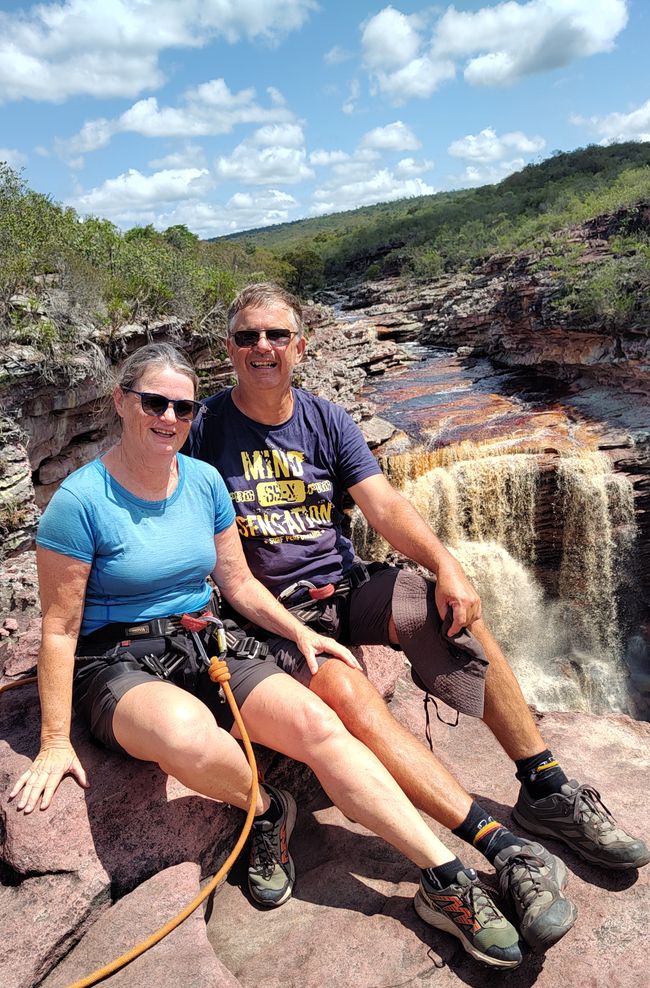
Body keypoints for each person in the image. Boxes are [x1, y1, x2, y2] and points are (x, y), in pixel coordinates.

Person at [10, 343, 528, 972]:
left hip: (207, 639)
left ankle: (446, 877)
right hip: (117, 659)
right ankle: (264, 808)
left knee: (319, 726)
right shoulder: (79, 502)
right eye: (154, 402)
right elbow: (60, 628)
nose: (168, 417)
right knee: (183, 733)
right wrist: (56, 740)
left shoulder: (200, 482)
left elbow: (238, 583)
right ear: (122, 403)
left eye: (182, 406)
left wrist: (299, 633)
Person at [188, 282, 649, 925]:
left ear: (301, 344)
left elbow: (382, 505)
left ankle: (545, 785)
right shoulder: (201, 427)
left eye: (276, 335)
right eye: (247, 336)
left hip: (343, 588)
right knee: (349, 697)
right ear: (230, 350)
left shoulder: (326, 419)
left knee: (454, 612)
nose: (262, 347)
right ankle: (490, 842)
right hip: (268, 615)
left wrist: (446, 565)